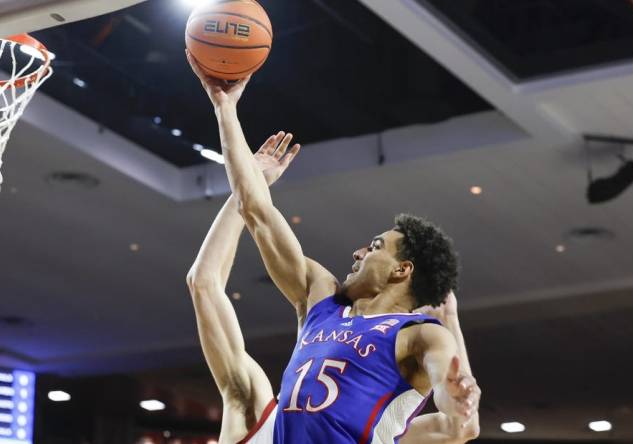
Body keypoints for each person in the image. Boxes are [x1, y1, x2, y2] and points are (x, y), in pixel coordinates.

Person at [187, 51, 481, 443]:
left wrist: (458, 397)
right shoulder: (320, 297)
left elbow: (456, 419)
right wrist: (225, 110)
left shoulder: (420, 335)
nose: (359, 252)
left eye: (375, 246)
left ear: (401, 270)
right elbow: (254, 208)